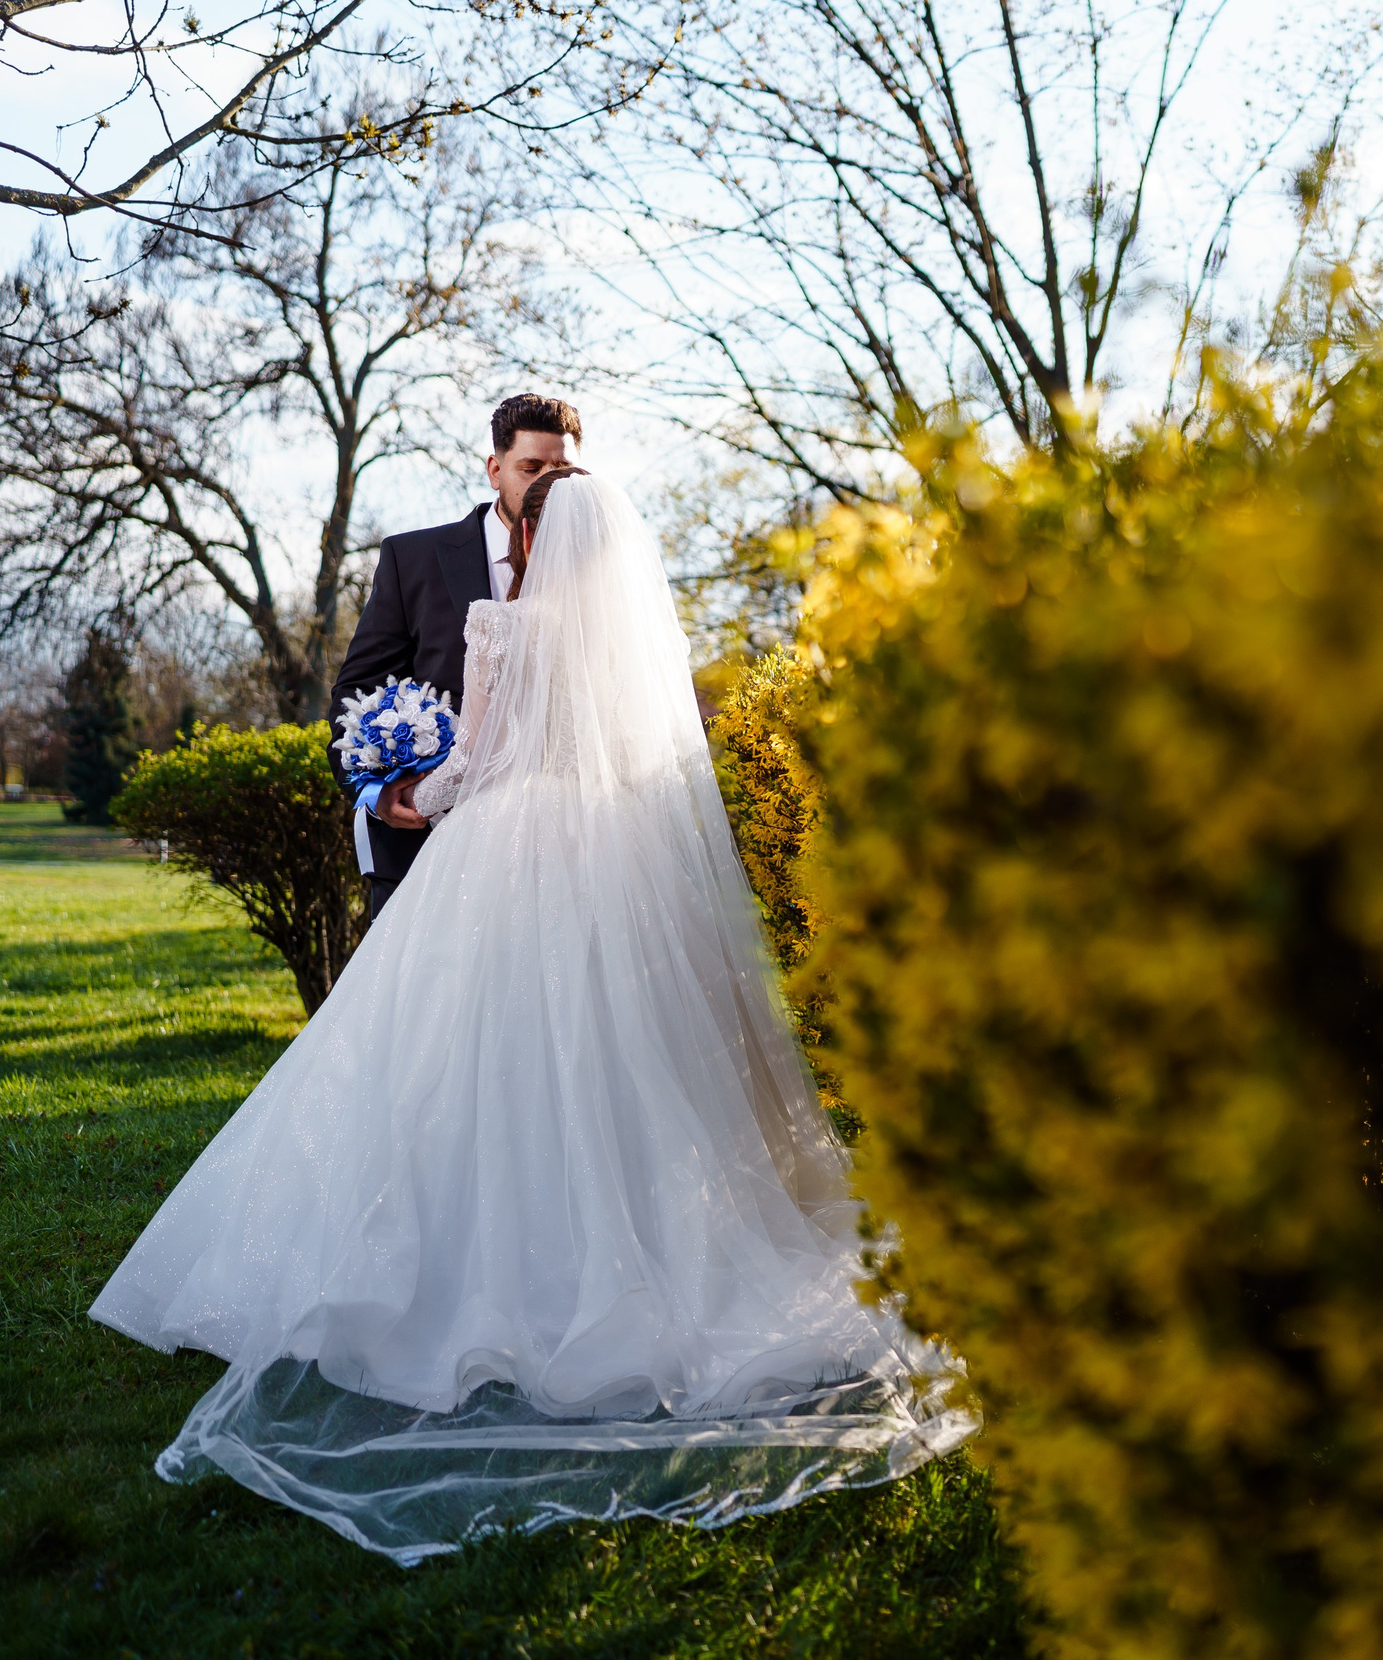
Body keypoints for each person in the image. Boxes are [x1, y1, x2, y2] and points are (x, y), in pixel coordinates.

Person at [89, 467, 974, 1562]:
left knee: (455, 1057)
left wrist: (407, 793)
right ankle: (633, 1241)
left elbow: (479, 758)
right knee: (623, 1058)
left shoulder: (497, 625)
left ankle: (472, 1255)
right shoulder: (630, 641)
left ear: (532, 533)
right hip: (616, 855)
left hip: (502, 850)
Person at [329, 395, 578, 920]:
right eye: (531, 468)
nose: (547, 485)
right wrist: (378, 790)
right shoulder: (412, 559)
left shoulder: (601, 584)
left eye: (562, 469)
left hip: (564, 860)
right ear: (495, 470)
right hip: (424, 858)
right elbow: (356, 691)